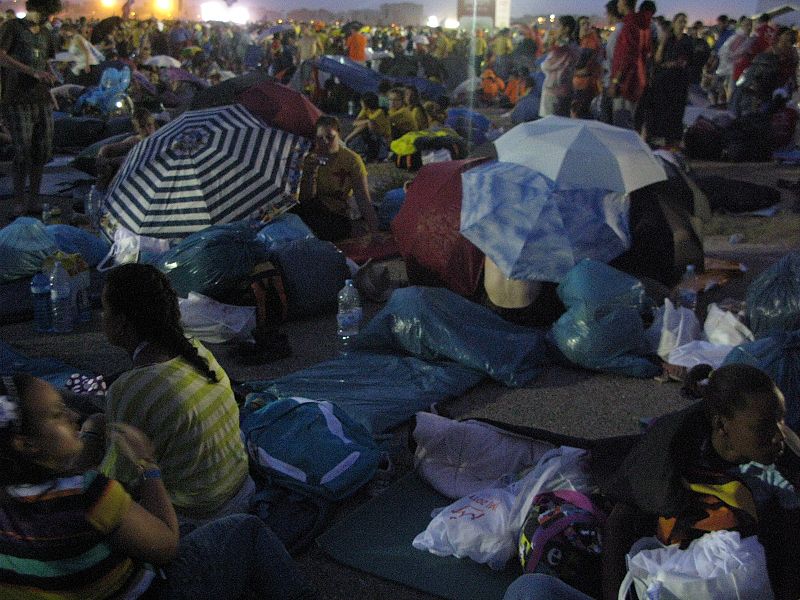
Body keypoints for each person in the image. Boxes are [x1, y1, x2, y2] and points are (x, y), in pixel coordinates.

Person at [0, 373, 312, 599]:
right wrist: (148, 467)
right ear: (26, 444)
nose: (72, 415)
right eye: (57, 414)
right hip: (155, 590)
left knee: (196, 531)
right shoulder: (90, 493)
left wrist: (91, 437)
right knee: (244, 530)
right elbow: (167, 547)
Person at [601, 364, 800, 600]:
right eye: (765, 427)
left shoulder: (783, 457)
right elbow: (619, 522)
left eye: (781, 419)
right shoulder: (669, 459)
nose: (779, 434)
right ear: (721, 426)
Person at [96, 264, 255, 534]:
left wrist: (86, 443)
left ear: (122, 322)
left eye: (105, 309)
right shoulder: (196, 350)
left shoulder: (131, 389)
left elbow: (115, 484)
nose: (102, 318)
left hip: (198, 519)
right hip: (242, 492)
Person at [0, 0, 60, 217]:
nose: (48, 18)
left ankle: (34, 199)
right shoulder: (12, 27)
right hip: (17, 98)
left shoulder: (45, 33)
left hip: (41, 98)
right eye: (47, 13)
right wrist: (30, 71)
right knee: (22, 150)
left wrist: (50, 76)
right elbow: (1, 56)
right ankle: (18, 201)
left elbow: (47, 62)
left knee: (41, 150)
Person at [296, 114, 378, 241]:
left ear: (338, 134)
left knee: (329, 229)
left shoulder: (351, 160)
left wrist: (374, 231)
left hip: (336, 213)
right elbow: (306, 200)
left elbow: (363, 198)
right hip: (314, 209)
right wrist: (310, 173)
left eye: (330, 137)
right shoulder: (311, 158)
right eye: (320, 138)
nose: (325, 142)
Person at [643, 13, 692, 147]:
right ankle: (662, 138)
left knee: (676, 111)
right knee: (663, 110)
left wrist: (669, 64)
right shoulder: (668, 40)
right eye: (680, 21)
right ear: (674, 23)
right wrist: (663, 44)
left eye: (684, 22)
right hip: (664, 81)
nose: (682, 24)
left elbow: (683, 62)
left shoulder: (687, 41)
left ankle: (674, 140)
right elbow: (658, 60)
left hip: (679, 81)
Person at [608, 0, 654, 130]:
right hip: (638, 79)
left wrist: (616, 81)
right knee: (629, 123)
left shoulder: (630, 24)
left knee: (622, 126)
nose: (617, 5)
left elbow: (627, 56)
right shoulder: (643, 24)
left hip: (626, 83)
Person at [96, 107, 158, 189]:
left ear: (153, 123)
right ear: (137, 128)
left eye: (149, 125)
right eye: (142, 127)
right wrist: (102, 157)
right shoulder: (135, 140)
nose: (147, 130)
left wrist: (111, 161)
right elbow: (106, 148)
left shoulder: (162, 137)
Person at [540, 15, 580, 117]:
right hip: (567, 89)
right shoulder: (575, 45)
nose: (556, 29)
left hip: (554, 90)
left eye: (558, 26)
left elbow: (546, 65)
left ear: (566, 29)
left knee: (550, 125)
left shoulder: (562, 48)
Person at [344, 91, 390, 163]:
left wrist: (366, 122)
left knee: (366, 126)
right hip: (372, 135)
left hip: (383, 138)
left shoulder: (380, 112)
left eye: (362, 102)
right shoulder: (366, 110)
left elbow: (371, 125)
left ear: (367, 103)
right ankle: (349, 143)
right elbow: (355, 123)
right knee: (364, 127)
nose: (360, 103)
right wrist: (366, 121)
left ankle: (347, 140)